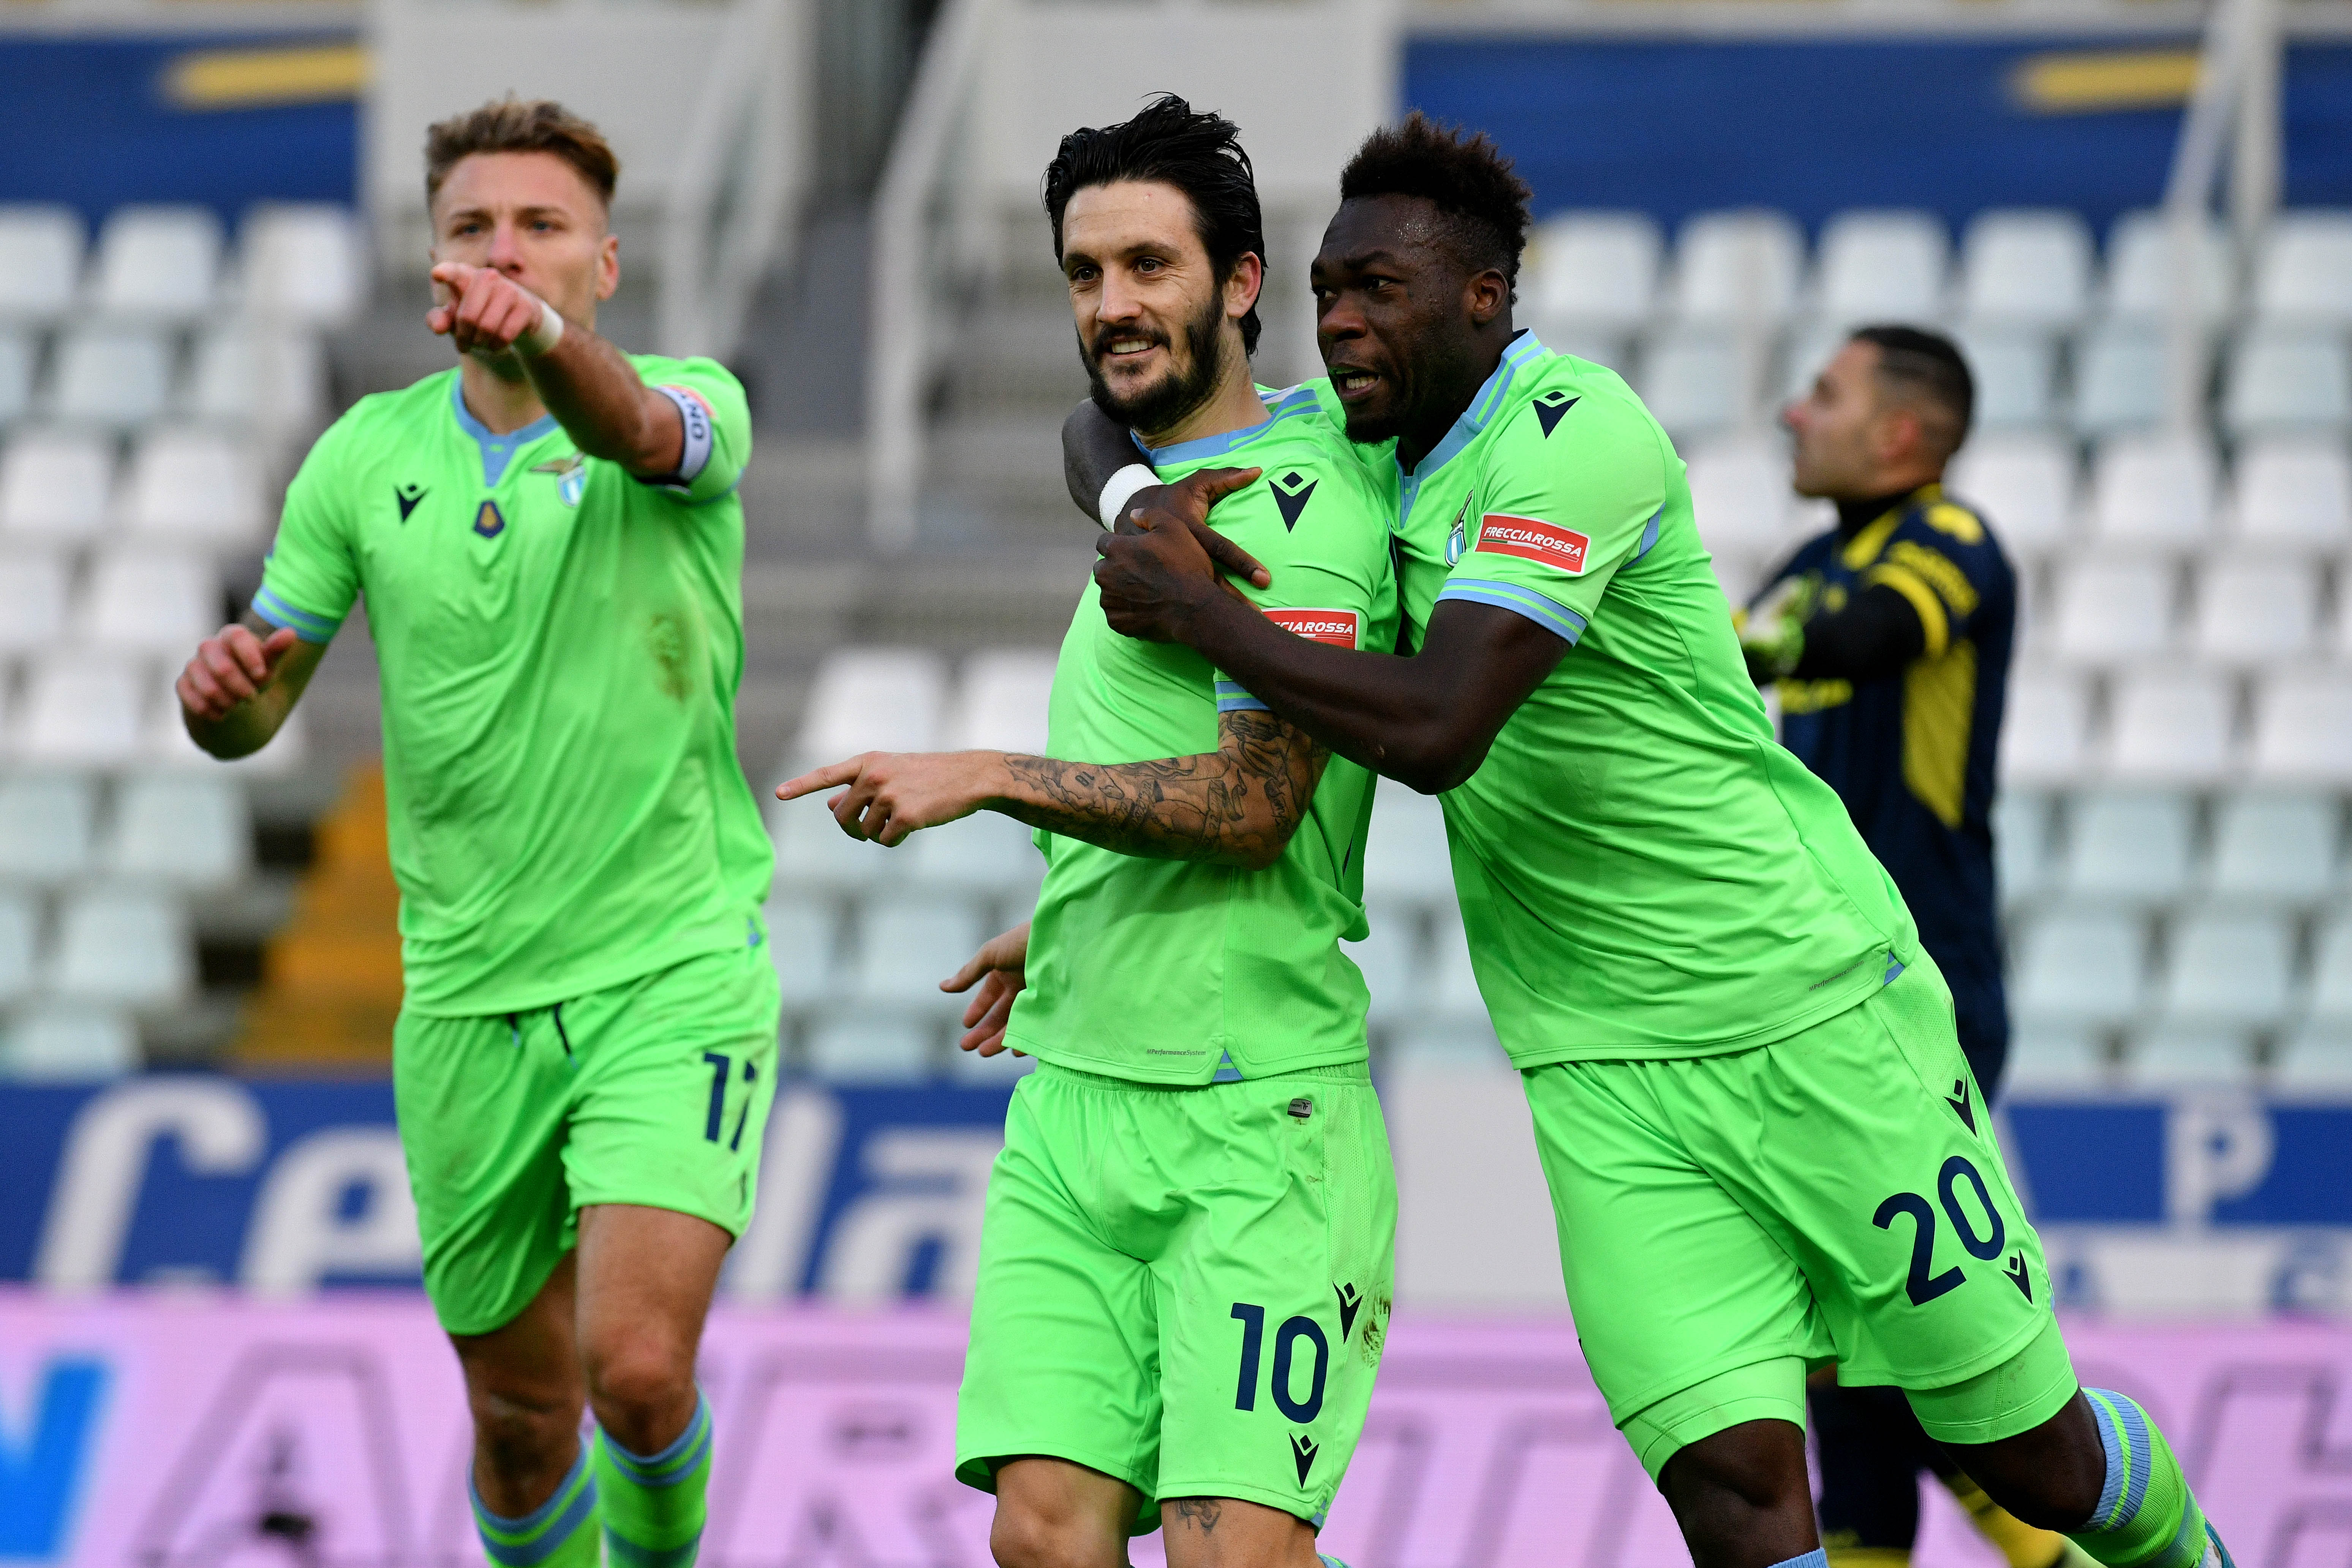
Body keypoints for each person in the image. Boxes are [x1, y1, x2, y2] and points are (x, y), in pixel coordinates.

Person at [1065, 114, 2232, 1568]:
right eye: (1327, 292)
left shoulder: (1578, 436)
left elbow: (1440, 726)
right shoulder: (1347, 455)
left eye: (1381, 291)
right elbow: (1099, 423)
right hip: (1597, 1069)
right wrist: (1136, 502)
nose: (1343, 322)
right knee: (1733, 1491)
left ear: (1484, 297)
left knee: (2027, 1456)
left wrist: (1204, 613)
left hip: (1803, 1006)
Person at [776, 96, 1391, 1568]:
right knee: (1043, 1538)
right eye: (1084, 272)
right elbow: (1091, 438)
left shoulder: (1300, 505)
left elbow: (1256, 806)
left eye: (1149, 266)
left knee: (1232, 1557)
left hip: (1253, 1118)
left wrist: (994, 775)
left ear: (1241, 283)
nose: (1112, 304)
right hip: (1077, 1097)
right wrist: (1070, 912)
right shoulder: (1146, 485)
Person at [175, 98, 775, 1568]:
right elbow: (265, 699)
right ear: (432, 259)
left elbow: (634, 430)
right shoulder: (361, 457)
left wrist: (549, 347)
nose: (504, 250)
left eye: (541, 227)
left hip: (671, 971)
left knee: (637, 1371)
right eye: (472, 228)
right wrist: (224, 701)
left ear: (605, 264)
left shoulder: (690, 402)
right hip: (462, 1001)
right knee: (518, 1420)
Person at [1749, 328, 2083, 1568]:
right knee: (1850, 1342)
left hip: (1924, 989)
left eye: (1825, 394)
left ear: (1902, 434)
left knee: (1877, 1338)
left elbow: (1865, 638)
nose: (1795, 414)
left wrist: (1729, 646)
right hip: (1814, 992)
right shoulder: (1808, 565)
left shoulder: (1952, 542)